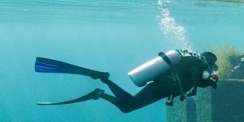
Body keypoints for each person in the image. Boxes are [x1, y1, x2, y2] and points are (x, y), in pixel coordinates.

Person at [35, 50, 219, 113]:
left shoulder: (198, 66)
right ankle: (104, 79)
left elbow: (198, 81)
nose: (211, 67)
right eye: (212, 63)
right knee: (130, 104)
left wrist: (209, 82)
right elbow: (194, 77)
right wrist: (198, 85)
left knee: (127, 108)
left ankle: (100, 93)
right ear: (208, 59)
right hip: (160, 87)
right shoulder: (195, 62)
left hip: (163, 90)